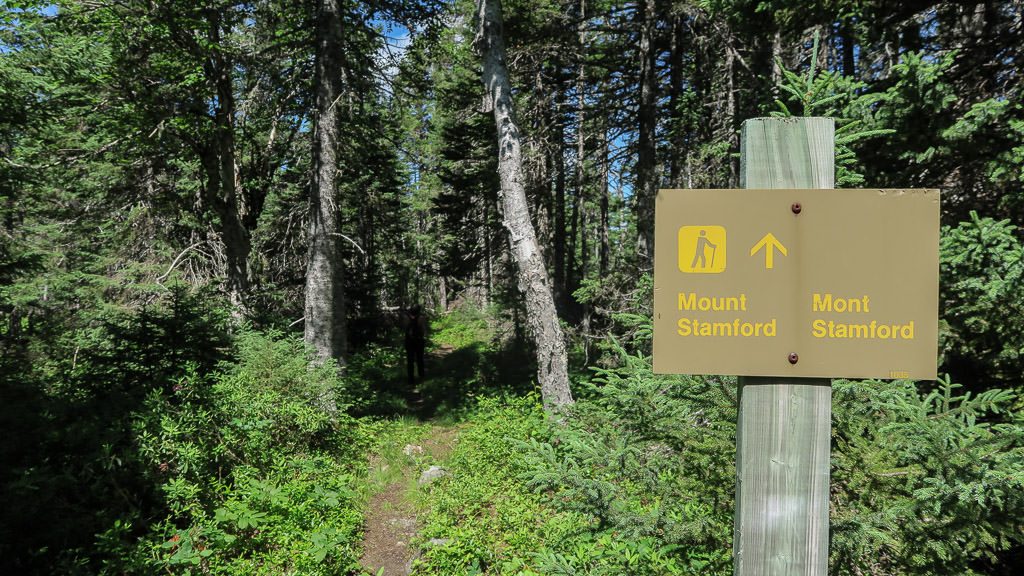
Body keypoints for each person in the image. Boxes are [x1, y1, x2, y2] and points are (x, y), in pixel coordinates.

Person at [403, 304, 427, 385]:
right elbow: (423, 329)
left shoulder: (406, 317)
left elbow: (404, 328)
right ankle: (421, 376)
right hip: (419, 341)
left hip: (409, 341)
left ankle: (411, 379)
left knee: (410, 360)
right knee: (420, 359)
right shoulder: (421, 318)